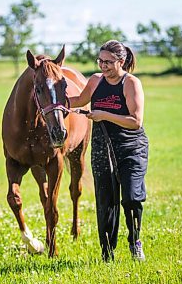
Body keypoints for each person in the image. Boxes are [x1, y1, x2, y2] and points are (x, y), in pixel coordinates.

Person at [69, 40, 149, 262]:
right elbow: (79, 100)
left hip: (131, 148)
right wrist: (56, 100)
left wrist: (103, 114)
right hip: (102, 148)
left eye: (108, 62)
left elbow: (136, 121)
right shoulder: (95, 81)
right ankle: (107, 254)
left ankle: (135, 242)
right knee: (105, 202)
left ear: (121, 61)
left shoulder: (131, 83)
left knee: (132, 198)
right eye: (100, 61)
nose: (103, 66)